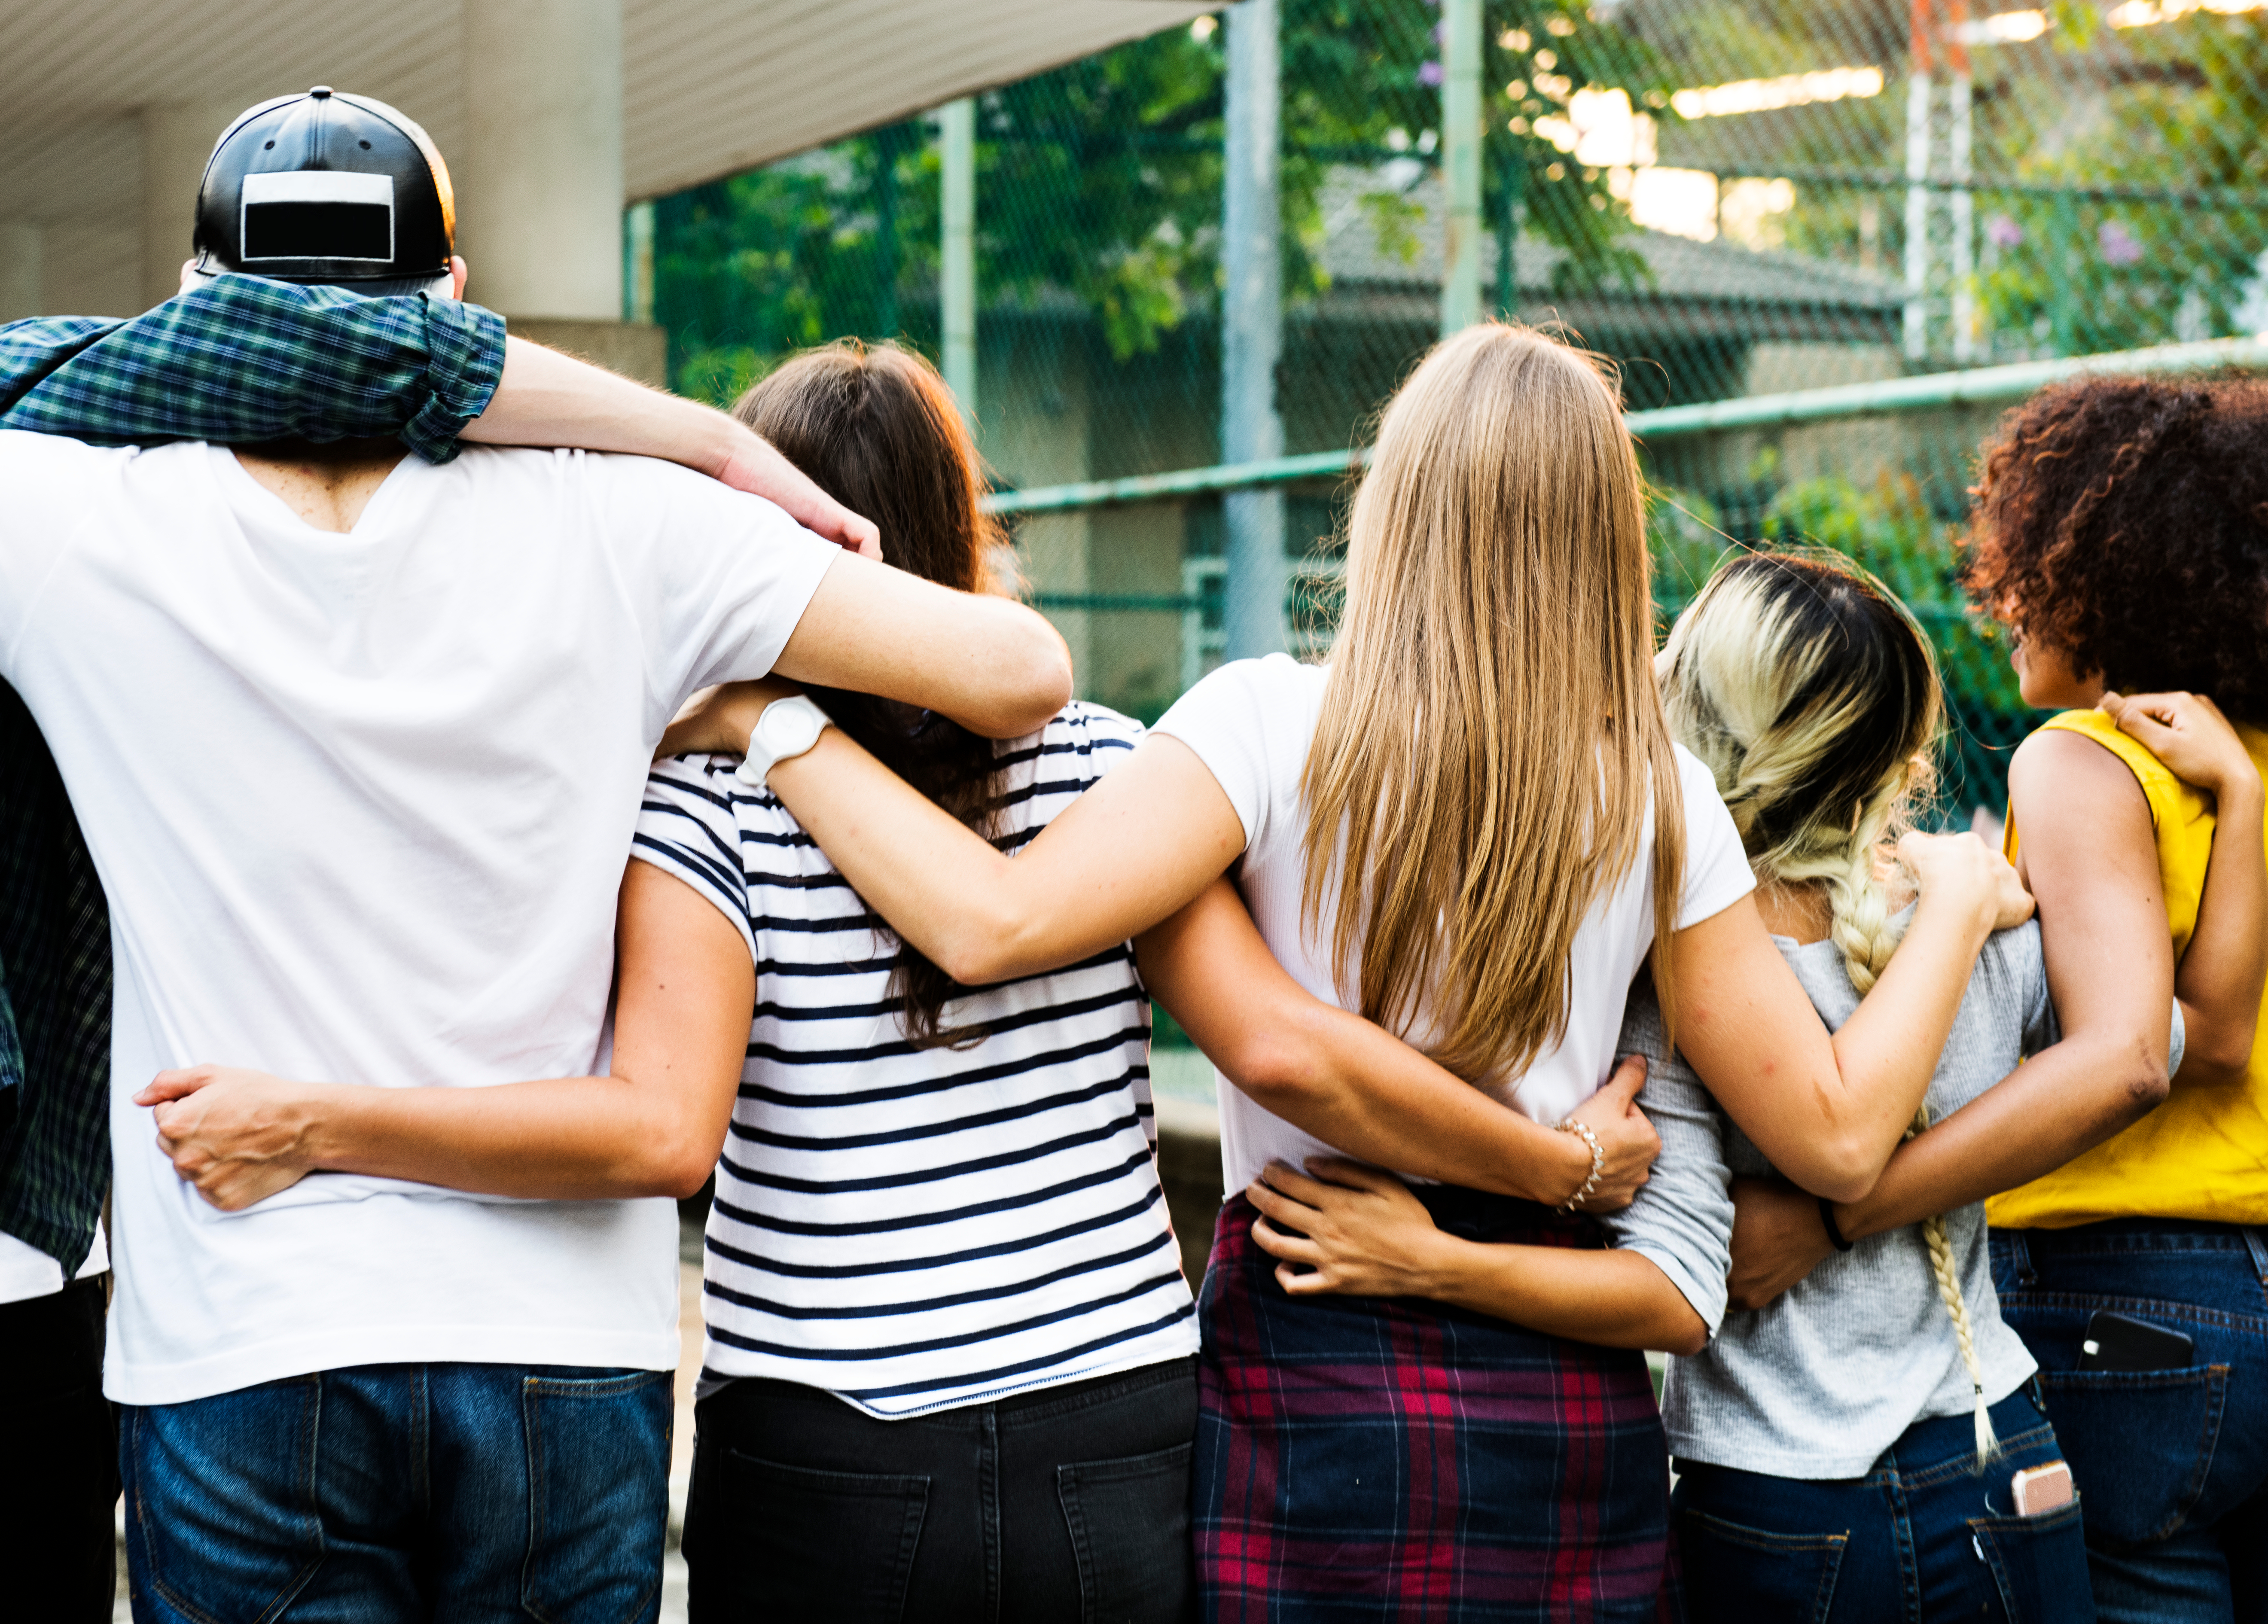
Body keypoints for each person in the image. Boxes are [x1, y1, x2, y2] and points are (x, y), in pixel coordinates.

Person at [0, 91, 1070, 1624]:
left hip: (243, 1338)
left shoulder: (62, 513)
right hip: (564, 1348)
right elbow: (1016, 674)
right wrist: (739, 680)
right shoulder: (645, 528)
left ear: (203, 310)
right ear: (456, 309)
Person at [652, 323, 2027, 1619]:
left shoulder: (1254, 728)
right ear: (1607, 537)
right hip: (1561, 1405)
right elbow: (1835, 1135)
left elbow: (1018, 932)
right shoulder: (1662, 800)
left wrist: (774, 722)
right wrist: (1958, 906)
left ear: (1392, 501)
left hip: (1314, 1341)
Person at [1628, 549, 2228, 1622]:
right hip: (2000, 1450)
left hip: (1777, 1490)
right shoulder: (1978, 917)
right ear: (1898, 755)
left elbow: (1674, 1248)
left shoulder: (1678, 966)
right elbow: (2170, 1038)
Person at [1951, 374, 2268, 1622]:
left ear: (2102, 577)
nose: (2003, 598)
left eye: (2024, 571)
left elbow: (2183, 1043)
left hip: (2125, 1307)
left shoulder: (2079, 762)